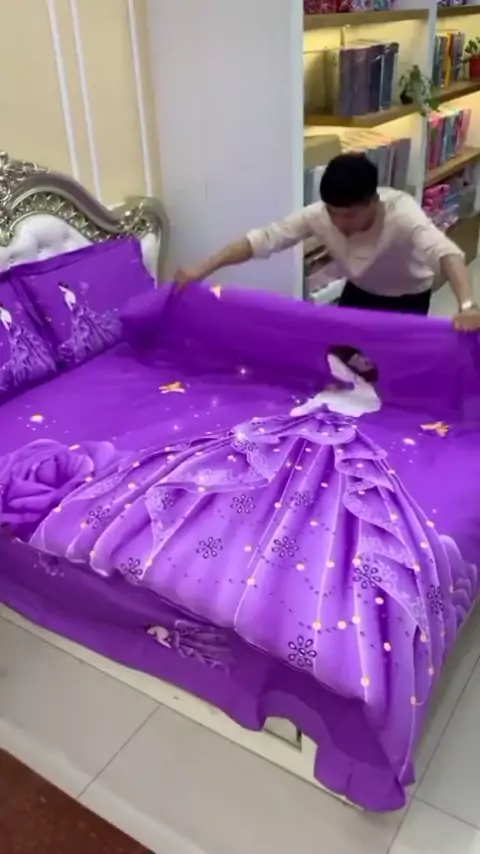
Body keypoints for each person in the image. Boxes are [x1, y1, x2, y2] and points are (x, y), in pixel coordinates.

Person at [174, 153, 480, 331]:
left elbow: (446, 253)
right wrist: (200, 270)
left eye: (349, 214)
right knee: (343, 360)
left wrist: (467, 306)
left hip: (408, 298)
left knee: (395, 368)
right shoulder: (319, 215)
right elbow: (263, 240)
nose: (339, 223)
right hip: (359, 290)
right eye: (333, 212)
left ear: (373, 202)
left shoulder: (403, 214)